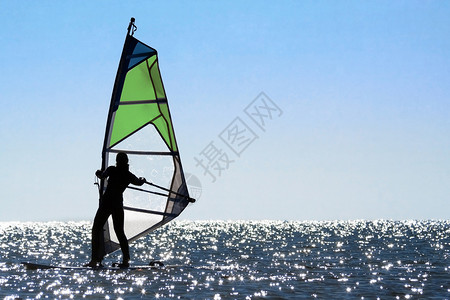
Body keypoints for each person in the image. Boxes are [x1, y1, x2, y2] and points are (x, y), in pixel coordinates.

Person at [85, 152, 146, 268]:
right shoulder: (128, 175)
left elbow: (102, 175)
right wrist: (142, 179)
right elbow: (139, 183)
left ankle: (94, 260)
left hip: (107, 204)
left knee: (96, 229)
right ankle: (126, 260)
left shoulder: (112, 169)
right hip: (117, 204)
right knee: (119, 231)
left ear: (117, 161)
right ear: (127, 162)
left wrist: (97, 172)